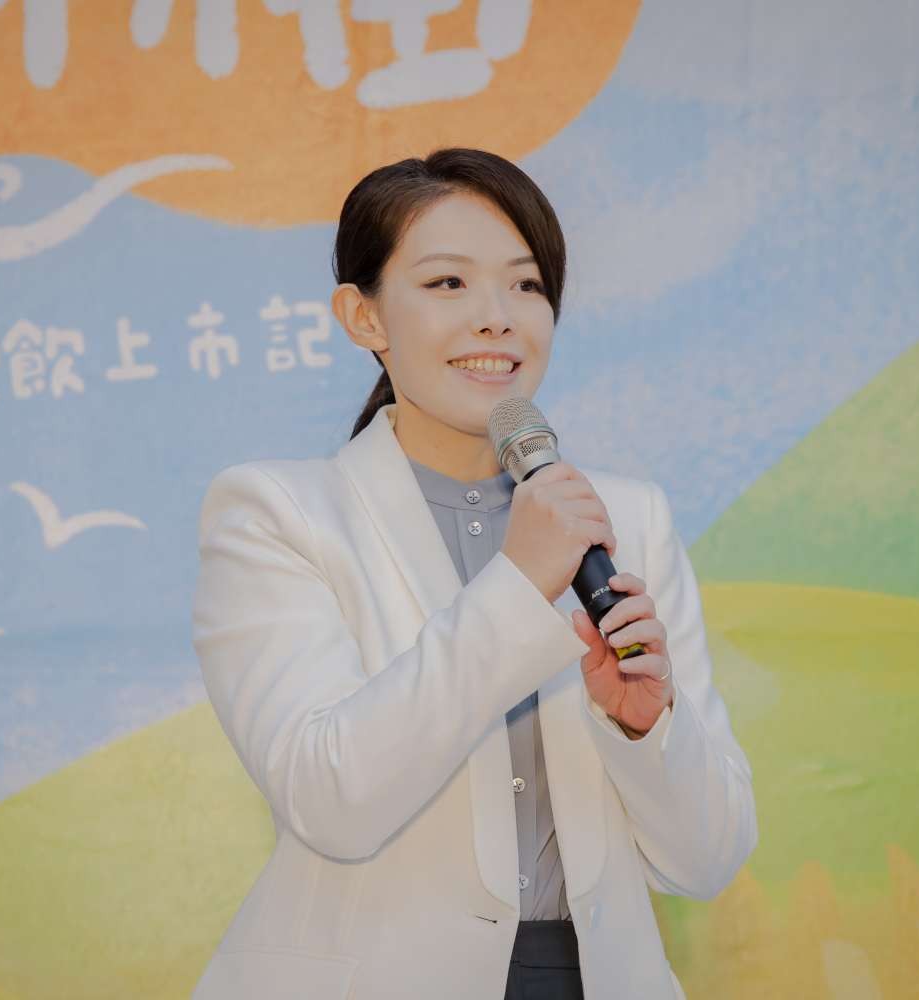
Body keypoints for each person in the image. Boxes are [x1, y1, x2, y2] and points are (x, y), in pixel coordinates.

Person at [190, 148, 757, 1000]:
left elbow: (709, 860)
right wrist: (518, 587)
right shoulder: (278, 513)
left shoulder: (626, 518)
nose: (497, 318)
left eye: (526, 285)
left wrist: (646, 730)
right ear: (363, 316)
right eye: (448, 283)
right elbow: (330, 799)